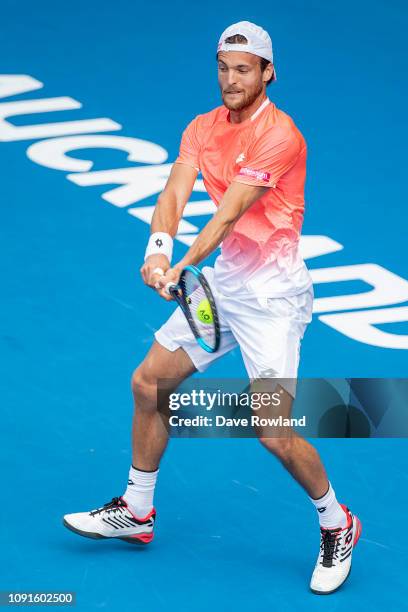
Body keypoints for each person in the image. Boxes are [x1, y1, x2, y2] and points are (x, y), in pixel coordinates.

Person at [63, 20, 361, 594]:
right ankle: (138, 508)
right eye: (224, 67)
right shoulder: (202, 128)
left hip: (271, 298)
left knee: (272, 432)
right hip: (223, 288)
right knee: (149, 384)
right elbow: (175, 191)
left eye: (243, 69)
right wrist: (157, 251)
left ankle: (338, 522)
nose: (231, 79)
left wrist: (179, 269)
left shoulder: (282, 135)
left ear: (268, 73)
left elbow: (228, 217)